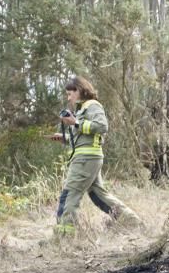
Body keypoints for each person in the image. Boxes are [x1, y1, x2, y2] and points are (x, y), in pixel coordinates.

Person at [48, 76, 141, 236]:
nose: (68, 98)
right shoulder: (82, 109)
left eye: (70, 94)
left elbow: (102, 126)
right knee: (98, 196)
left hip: (86, 160)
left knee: (69, 195)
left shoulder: (92, 105)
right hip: (87, 158)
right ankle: (133, 222)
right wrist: (65, 138)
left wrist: (75, 123)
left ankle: (64, 237)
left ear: (79, 90)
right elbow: (84, 138)